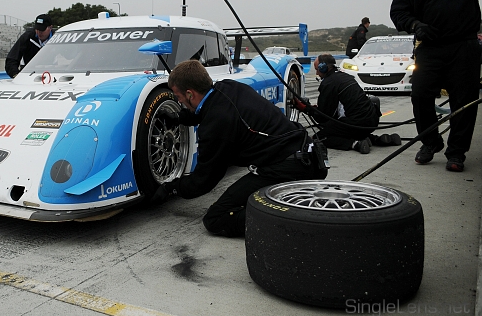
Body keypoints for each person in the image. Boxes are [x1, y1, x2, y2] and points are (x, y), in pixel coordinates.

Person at [152, 60, 328, 238]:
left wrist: (170, 188)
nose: (179, 101)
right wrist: (179, 117)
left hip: (288, 167)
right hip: (307, 152)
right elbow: (210, 110)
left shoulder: (216, 126)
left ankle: (298, 223)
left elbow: (203, 182)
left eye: (179, 97)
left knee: (216, 219)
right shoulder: (228, 87)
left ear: (190, 94)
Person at [390, 0, 482, 172]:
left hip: (465, 47)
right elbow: (398, 13)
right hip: (430, 48)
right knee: (420, 94)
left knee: (464, 101)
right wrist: (415, 25)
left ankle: (457, 152)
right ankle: (430, 143)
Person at [302, 54, 398, 154]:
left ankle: (355, 143)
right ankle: (376, 139)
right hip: (372, 120)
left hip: (357, 123)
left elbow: (324, 116)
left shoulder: (328, 83)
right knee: (341, 127)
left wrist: (306, 108)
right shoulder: (345, 76)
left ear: (323, 68)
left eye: (317, 69)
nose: (317, 73)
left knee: (320, 137)